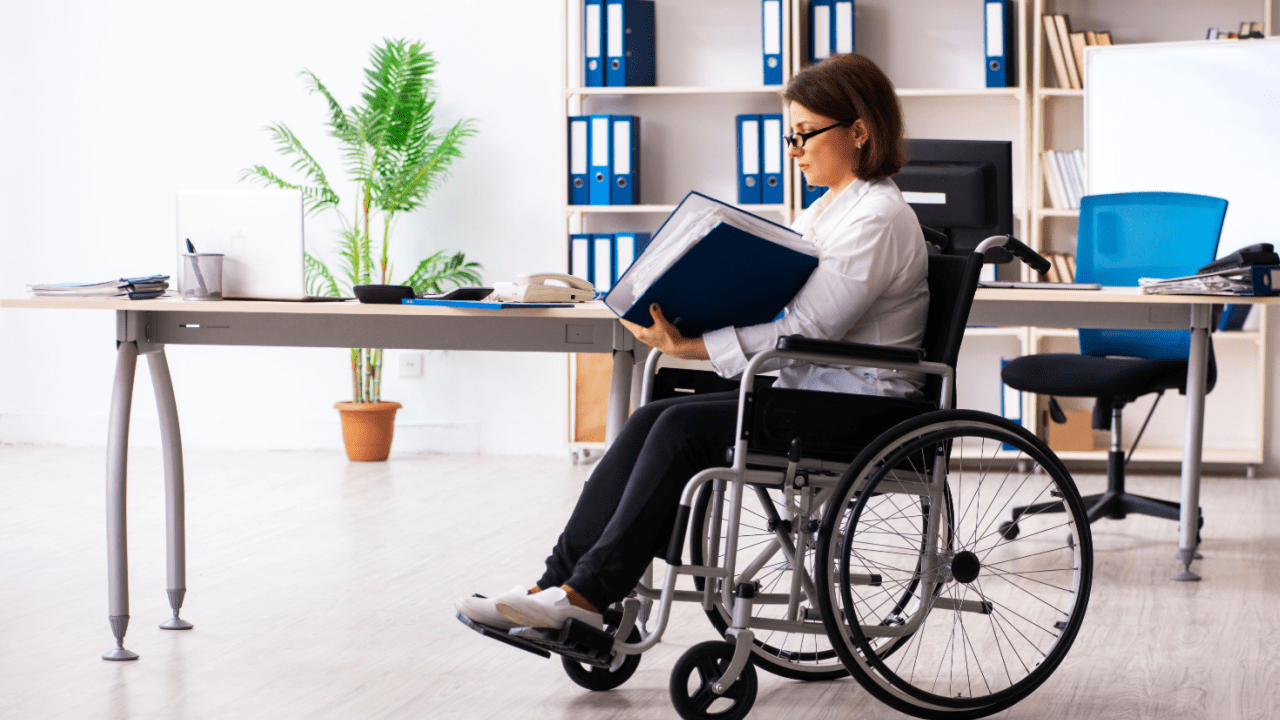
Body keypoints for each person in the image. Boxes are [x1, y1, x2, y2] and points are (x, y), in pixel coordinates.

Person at [456, 52, 930, 631]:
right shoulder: (827, 211)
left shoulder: (877, 216)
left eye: (806, 134)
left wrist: (690, 346)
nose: (793, 150)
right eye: (791, 135)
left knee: (681, 430)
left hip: (864, 410)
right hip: (815, 392)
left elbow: (806, 328)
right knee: (653, 415)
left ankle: (587, 597)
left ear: (859, 130)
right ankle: (555, 581)